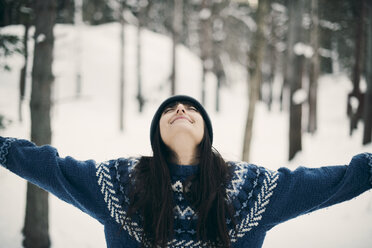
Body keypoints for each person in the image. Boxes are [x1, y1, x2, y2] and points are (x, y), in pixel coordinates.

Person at [0, 95, 371, 248]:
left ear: (206, 130)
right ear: (156, 133)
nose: (180, 110)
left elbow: (335, 182)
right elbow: (48, 167)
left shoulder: (251, 188)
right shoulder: (117, 183)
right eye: (169, 109)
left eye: (190, 108)